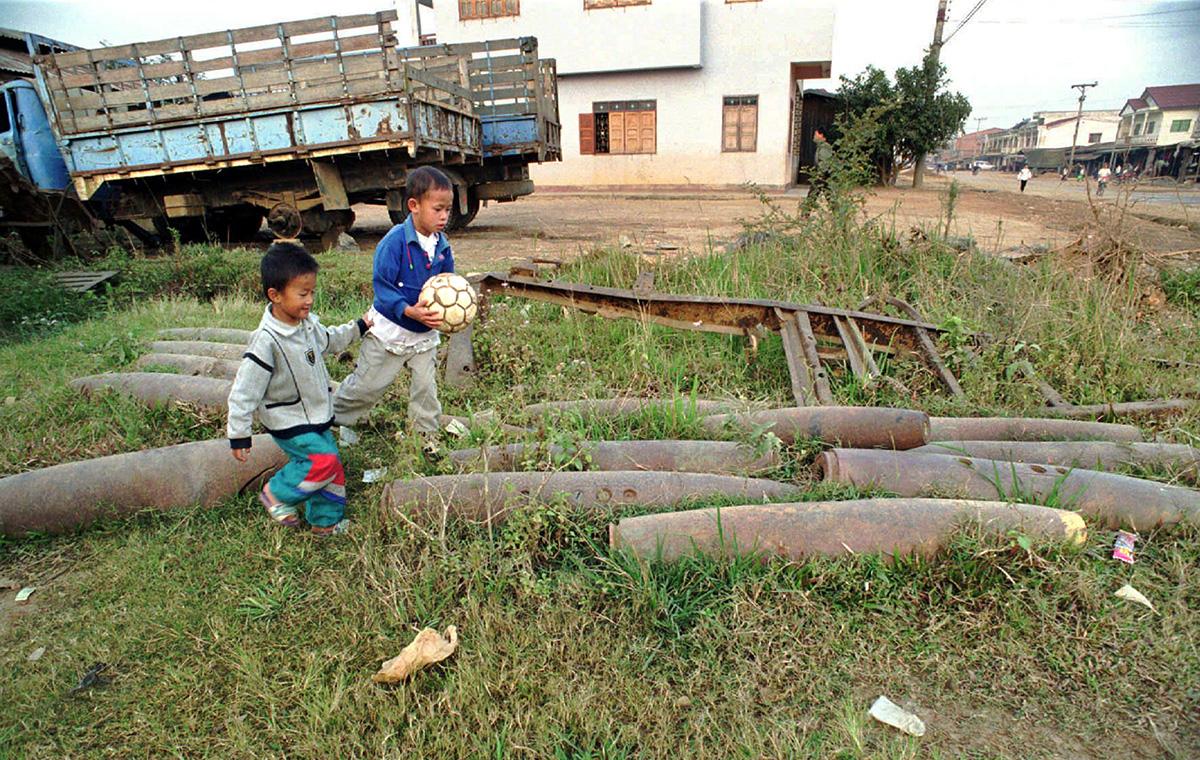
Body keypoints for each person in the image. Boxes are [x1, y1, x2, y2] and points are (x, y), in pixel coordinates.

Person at [227, 242, 371, 536]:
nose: (310, 300)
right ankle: (277, 494)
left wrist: (360, 326)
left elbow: (330, 340)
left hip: (316, 415)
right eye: (302, 293)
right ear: (275, 295)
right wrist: (239, 433)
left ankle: (324, 524)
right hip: (288, 421)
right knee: (322, 461)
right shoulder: (265, 341)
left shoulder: (307, 325)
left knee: (333, 470)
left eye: (312, 292)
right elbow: (244, 391)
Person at [332, 166, 456, 458]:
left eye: (448, 210)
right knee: (367, 386)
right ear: (413, 206)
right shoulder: (395, 241)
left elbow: (447, 284)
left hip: (423, 334)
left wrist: (449, 313)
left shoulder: (442, 245)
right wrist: (406, 309)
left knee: (426, 389)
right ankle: (337, 420)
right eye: (438, 209)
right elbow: (383, 286)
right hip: (389, 331)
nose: (444, 216)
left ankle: (426, 436)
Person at [802, 129, 834, 213]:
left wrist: (820, 174)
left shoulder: (825, 147)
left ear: (821, 135)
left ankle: (805, 214)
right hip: (823, 175)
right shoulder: (821, 147)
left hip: (822, 175)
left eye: (816, 134)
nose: (814, 136)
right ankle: (838, 214)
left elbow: (825, 162)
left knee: (812, 194)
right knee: (828, 195)